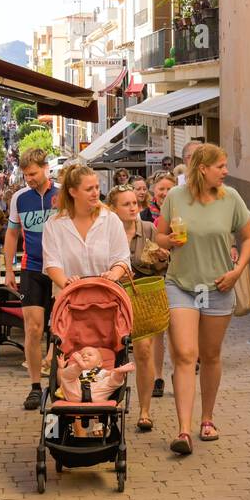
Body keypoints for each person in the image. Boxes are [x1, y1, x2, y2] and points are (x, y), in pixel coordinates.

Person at [155, 143, 250, 456]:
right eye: (221, 166)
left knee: (210, 355)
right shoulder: (175, 197)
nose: (225, 171)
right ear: (203, 168)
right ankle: (183, 430)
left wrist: (237, 271)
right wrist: (168, 240)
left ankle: (207, 418)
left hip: (218, 286)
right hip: (181, 284)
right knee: (186, 354)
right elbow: (158, 236)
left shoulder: (231, 198)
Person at [107, 184, 169, 431]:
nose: (133, 207)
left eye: (135, 203)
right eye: (126, 204)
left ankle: (145, 411)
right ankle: (106, 404)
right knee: (110, 353)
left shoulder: (148, 228)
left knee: (143, 350)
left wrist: (162, 257)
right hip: (113, 297)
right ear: (113, 209)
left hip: (142, 296)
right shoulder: (106, 232)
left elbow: (160, 266)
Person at [4, 149, 60, 411]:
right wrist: (9, 269)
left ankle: (61, 382)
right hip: (32, 267)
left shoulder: (61, 194)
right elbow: (12, 235)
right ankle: (36, 387)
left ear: (46, 168)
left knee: (60, 330)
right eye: (26, 175)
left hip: (60, 268)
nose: (30, 179)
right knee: (34, 329)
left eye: (34, 174)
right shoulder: (19, 198)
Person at [41, 164, 130, 294]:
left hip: (107, 300)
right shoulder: (54, 224)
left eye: (97, 187)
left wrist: (114, 274)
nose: (95, 193)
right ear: (73, 192)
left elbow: (122, 258)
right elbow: (51, 263)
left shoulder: (111, 220)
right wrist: (67, 282)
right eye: (89, 189)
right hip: (70, 302)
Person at [144, 172, 178, 395]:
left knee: (176, 331)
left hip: (177, 276)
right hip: (154, 277)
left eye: (169, 189)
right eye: (161, 189)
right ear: (153, 191)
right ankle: (158, 377)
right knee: (157, 332)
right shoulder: (144, 217)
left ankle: (178, 372)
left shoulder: (181, 213)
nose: (165, 193)